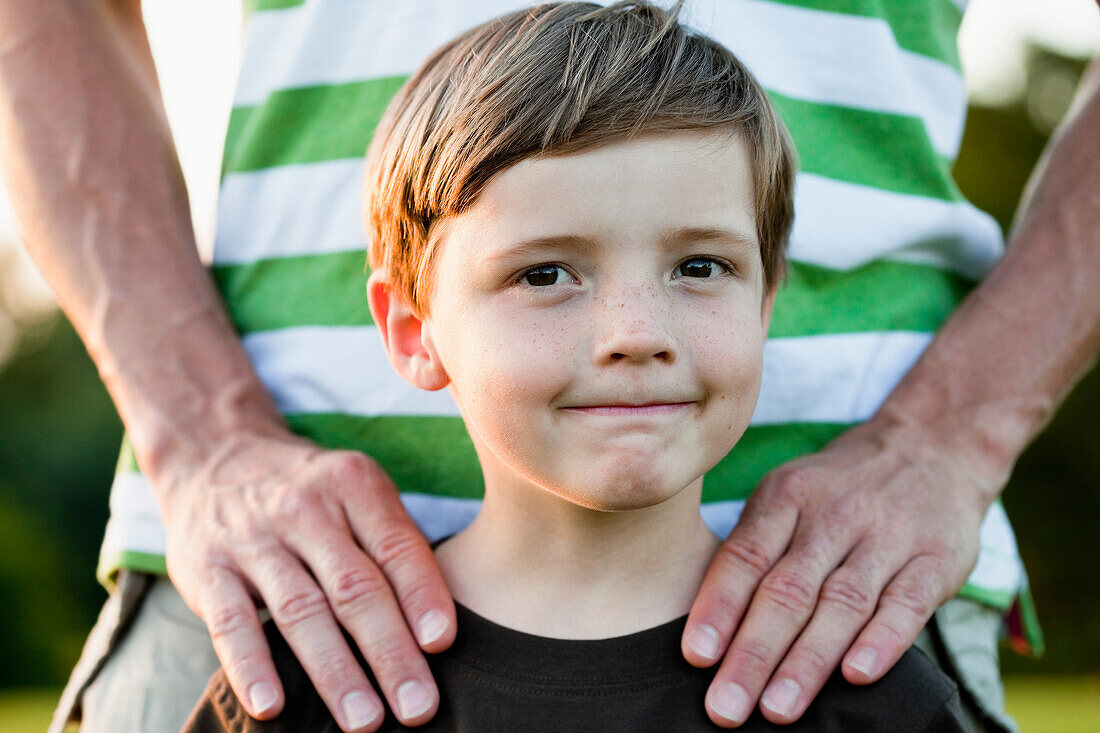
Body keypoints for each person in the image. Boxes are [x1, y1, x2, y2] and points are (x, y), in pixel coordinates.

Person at [0, 0, 1094, 731]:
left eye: (700, 266)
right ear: (409, 326)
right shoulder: (276, 691)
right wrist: (199, 431)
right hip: (255, 580)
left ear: (768, 294)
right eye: (544, 275)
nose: (632, 331)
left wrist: (956, 433)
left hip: (853, 602)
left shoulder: (876, 702)